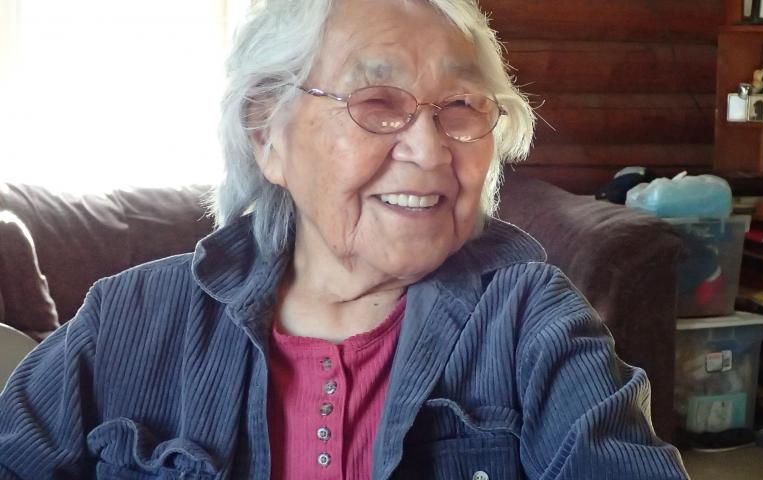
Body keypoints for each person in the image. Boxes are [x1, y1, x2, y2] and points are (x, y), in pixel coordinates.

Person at [0, 0, 690, 478]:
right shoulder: (127, 323)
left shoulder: (529, 321)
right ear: (267, 135)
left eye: (458, 108)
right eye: (377, 105)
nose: (428, 150)